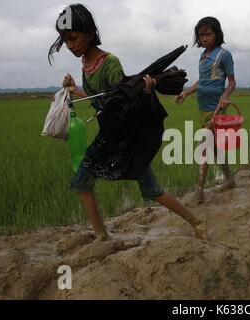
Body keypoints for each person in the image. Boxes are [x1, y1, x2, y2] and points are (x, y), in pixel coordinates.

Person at [48, 4, 206, 241]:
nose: (69, 45)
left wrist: (145, 92)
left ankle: (196, 221)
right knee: (82, 182)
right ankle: (101, 235)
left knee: (151, 190)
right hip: (109, 136)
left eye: (72, 38)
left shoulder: (110, 63)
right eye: (65, 41)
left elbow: (122, 102)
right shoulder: (86, 64)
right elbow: (104, 99)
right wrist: (75, 91)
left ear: (89, 33)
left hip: (125, 139)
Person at [173, 16, 236, 204]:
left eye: (208, 34)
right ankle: (230, 179)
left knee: (204, 145)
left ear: (217, 34)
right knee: (214, 148)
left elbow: (232, 82)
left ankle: (199, 190)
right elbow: (201, 81)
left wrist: (226, 96)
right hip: (202, 107)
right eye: (200, 36)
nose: (204, 39)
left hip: (216, 108)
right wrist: (186, 93)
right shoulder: (203, 56)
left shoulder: (224, 55)